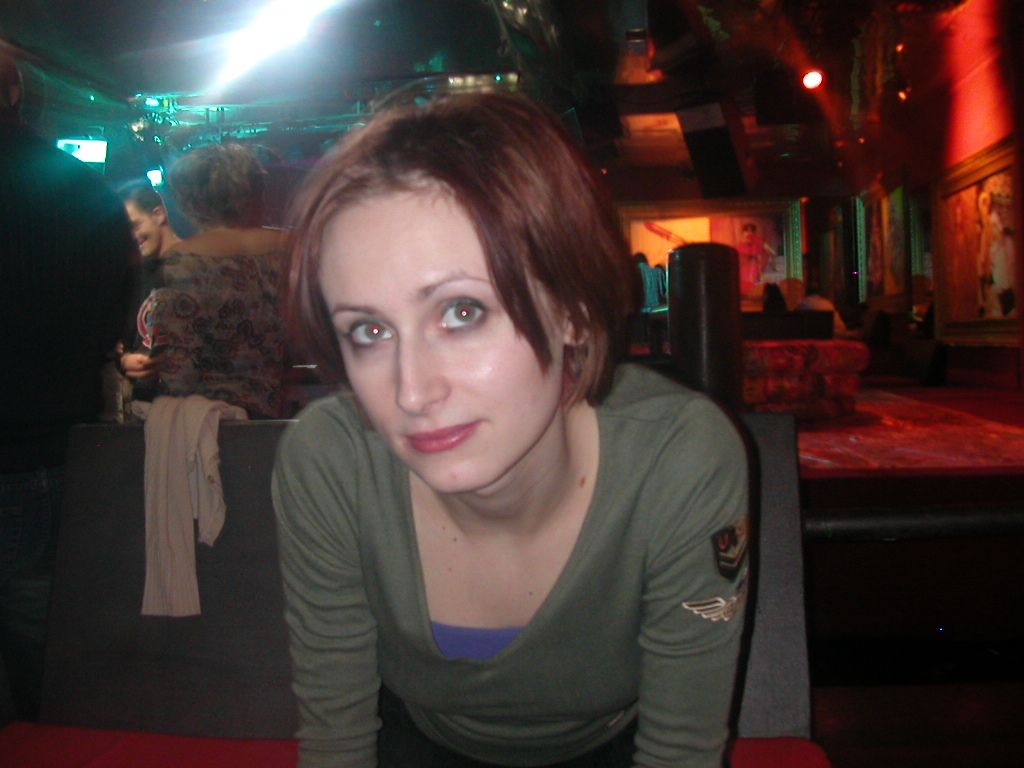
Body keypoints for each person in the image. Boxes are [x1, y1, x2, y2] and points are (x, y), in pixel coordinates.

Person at [275, 92, 750, 767]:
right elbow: (336, 743)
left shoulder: (680, 458)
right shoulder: (331, 462)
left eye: (462, 312)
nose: (412, 392)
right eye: (369, 331)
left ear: (573, 311)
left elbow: (681, 752)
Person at [0, 49, 134, 719]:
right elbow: (115, 302)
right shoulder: (77, 185)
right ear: (17, 94)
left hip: (37, 433)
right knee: (38, 614)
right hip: (43, 438)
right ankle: (43, 735)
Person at [119, 143, 287, 418]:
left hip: (202, 417)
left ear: (191, 201)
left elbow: (177, 361)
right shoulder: (290, 249)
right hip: (273, 407)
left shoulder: (183, 261)